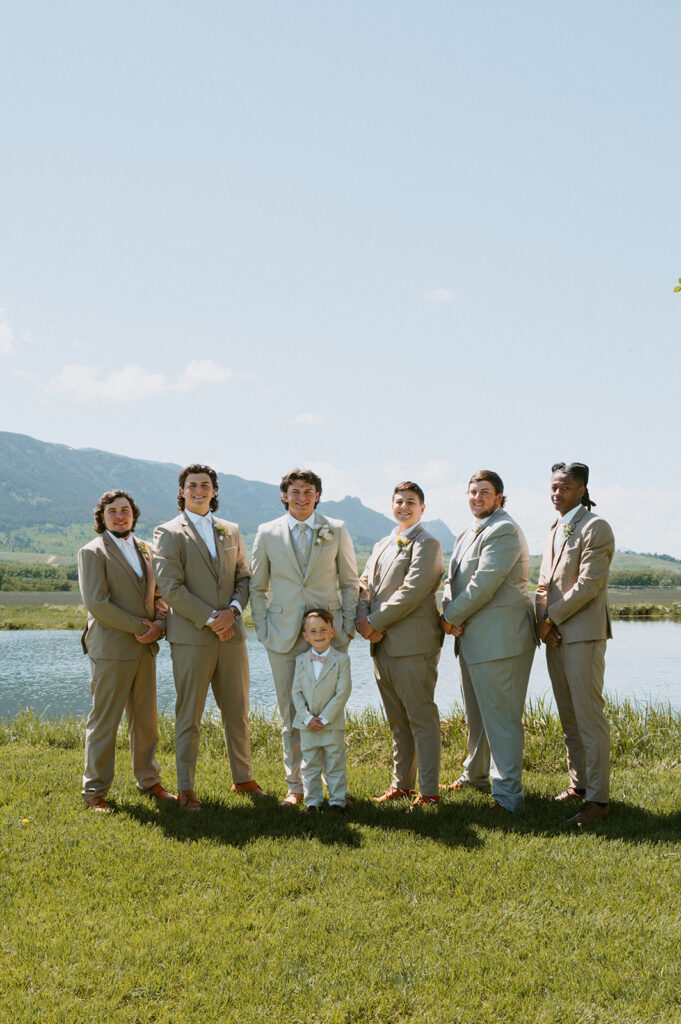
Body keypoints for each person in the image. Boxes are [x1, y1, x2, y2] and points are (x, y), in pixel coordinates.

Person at [152, 464, 262, 812]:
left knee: (237, 712)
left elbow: (245, 578)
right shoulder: (167, 532)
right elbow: (170, 586)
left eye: (206, 485)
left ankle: (242, 778)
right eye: (192, 485)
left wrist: (232, 610)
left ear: (214, 491)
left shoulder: (232, 530)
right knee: (189, 716)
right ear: (181, 490)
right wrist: (210, 618)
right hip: (192, 637)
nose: (199, 490)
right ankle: (186, 789)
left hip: (233, 635)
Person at [250, 468, 359, 806]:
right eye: (294, 491)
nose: (301, 497)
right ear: (285, 495)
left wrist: (347, 626)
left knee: (329, 710)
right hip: (282, 636)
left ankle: (332, 787)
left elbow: (349, 582)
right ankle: (296, 787)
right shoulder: (267, 532)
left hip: (329, 635)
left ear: (316, 495)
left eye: (307, 491)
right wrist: (265, 629)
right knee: (291, 712)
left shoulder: (336, 529)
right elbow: (257, 587)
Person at [441, 470, 537, 813]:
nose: (477, 497)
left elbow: (484, 584)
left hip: (502, 639)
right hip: (471, 638)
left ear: (499, 497)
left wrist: (449, 618)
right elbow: (452, 581)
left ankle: (508, 796)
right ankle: (475, 775)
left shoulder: (504, 530)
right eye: (472, 492)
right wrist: (447, 609)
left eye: (484, 492)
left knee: (502, 718)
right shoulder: (467, 531)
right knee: (478, 715)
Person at [78, 490, 174, 812]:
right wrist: (140, 627)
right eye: (112, 512)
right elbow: (97, 603)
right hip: (111, 649)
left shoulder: (146, 549)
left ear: (133, 514)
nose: (120, 516)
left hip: (145, 648)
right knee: (105, 720)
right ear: (101, 518)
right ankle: (94, 792)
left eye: (125, 510)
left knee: (145, 720)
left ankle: (149, 780)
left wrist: (159, 625)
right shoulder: (92, 552)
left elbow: (159, 595)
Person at [535, 462, 615, 826]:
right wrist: (541, 623)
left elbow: (588, 584)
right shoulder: (554, 527)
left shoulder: (596, 526)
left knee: (588, 717)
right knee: (569, 717)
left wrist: (552, 618)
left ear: (581, 490)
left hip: (583, 635)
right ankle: (579, 786)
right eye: (553, 487)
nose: (557, 493)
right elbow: (542, 585)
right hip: (554, 636)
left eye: (564, 488)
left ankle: (598, 801)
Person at [356, 482, 444, 810]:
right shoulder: (382, 543)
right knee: (397, 720)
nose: (403, 507)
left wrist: (374, 622)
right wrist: (362, 621)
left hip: (413, 645)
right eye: (399, 501)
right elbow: (364, 586)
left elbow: (413, 591)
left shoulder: (428, 543)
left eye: (411, 502)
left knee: (421, 718)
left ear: (423, 507)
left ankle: (430, 792)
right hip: (381, 646)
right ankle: (402, 786)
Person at [291, 609, 352, 814]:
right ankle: (313, 802)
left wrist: (324, 719)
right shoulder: (300, 660)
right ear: (305, 636)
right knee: (309, 765)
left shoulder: (341, 660)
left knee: (335, 763)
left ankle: (337, 802)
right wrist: (308, 718)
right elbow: (296, 693)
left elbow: (343, 692)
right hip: (307, 725)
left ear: (332, 632)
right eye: (313, 631)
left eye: (323, 630)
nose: (319, 635)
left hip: (332, 724)